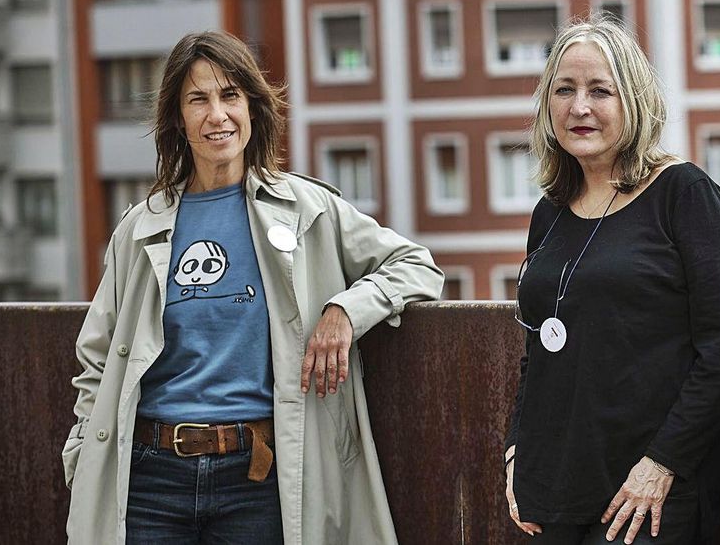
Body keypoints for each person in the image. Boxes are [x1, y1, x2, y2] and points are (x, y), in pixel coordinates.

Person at [61, 31, 444, 544]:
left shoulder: (308, 210)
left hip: (257, 479)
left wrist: (346, 310)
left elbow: (416, 265)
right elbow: (97, 357)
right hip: (149, 481)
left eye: (231, 95)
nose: (217, 114)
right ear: (178, 117)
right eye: (199, 99)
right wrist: (84, 453)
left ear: (252, 107)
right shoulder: (139, 228)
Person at [502, 16, 720, 545]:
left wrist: (663, 462)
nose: (580, 107)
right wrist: (516, 449)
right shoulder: (550, 212)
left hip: (649, 490)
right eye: (564, 89)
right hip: (555, 484)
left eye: (600, 90)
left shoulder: (684, 194)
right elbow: (538, 346)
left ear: (633, 100)